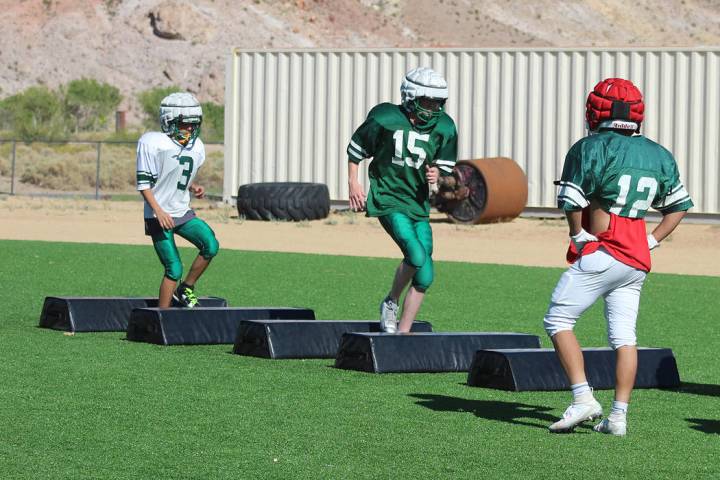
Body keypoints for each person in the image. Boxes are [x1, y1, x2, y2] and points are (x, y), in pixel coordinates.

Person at [545, 78, 693, 435]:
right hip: (637, 257)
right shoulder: (658, 153)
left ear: (596, 110)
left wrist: (578, 235)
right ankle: (619, 417)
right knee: (624, 338)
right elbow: (679, 207)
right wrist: (653, 240)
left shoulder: (591, 146)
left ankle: (583, 398)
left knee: (558, 320)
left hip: (605, 247)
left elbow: (571, 199)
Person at [347, 67, 458, 333]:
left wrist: (438, 174)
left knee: (425, 275)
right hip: (388, 196)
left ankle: (403, 333)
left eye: (436, 103)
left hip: (417, 203)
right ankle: (391, 301)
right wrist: (353, 181)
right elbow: (356, 149)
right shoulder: (385, 117)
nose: (431, 109)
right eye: (426, 102)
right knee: (416, 254)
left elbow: (446, 173)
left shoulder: (444, 126)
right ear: (410, 96)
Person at [136, 92, 219, 308]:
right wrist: (159, 211)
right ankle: (161, 318)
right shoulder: (153, 143)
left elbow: (175, 174)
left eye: (194, 125)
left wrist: (193, 186)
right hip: (159, 215)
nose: (190, 130)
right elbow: (144, 185)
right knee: (173, 268)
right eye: (185, 125)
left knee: (210, 244)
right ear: (169, 121)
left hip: (182, 211)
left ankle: (187, 288)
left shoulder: (197, 147)